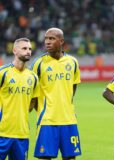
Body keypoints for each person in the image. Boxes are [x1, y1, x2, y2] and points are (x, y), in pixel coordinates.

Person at [31, 28, 81, 160]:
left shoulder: (73, 62)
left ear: (61, 41)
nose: (47, 42)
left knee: (70, 157)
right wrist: (43, 110)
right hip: (47, 121)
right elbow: (32, 93)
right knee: (45, 157)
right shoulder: (38, 64)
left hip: (69, 120)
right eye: (46, 39)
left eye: (52, 39)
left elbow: (72, 89)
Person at [0, 38, 39, 160]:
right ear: (15, 50)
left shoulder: (33, 77)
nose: (28, 51)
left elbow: (33, 101)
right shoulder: (3, 73)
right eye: (24, 48)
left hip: (22, 134)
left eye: (29, 49)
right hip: (2, 133)